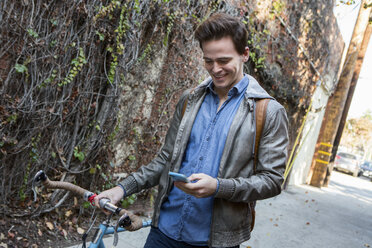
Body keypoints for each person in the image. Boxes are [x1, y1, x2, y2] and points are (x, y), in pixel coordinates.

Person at [95, 13, 289, 248]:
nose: (215, 69)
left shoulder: (268, 112)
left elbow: (272, 181)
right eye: (208, 61)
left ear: (245, 54)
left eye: (224, 60)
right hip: (163, 232)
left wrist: (218, 187)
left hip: (214, 241)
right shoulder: (190, 99)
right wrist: (122, 188)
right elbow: (166, 159)